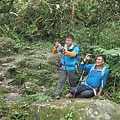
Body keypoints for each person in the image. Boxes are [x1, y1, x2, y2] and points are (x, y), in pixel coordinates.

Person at [53, 34, 79, 99]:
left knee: (72, 82)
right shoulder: (63, 46)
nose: (67, 42)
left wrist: (64, 51)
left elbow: (73, 54)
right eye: (66, 40)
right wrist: (55, 47)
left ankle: (72, 94)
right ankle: (57, 94)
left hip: (72, 67)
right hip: (64, 67)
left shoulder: (75, 47)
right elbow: (55, 52)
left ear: (72, 41)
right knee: (61, 80)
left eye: (69, 40)